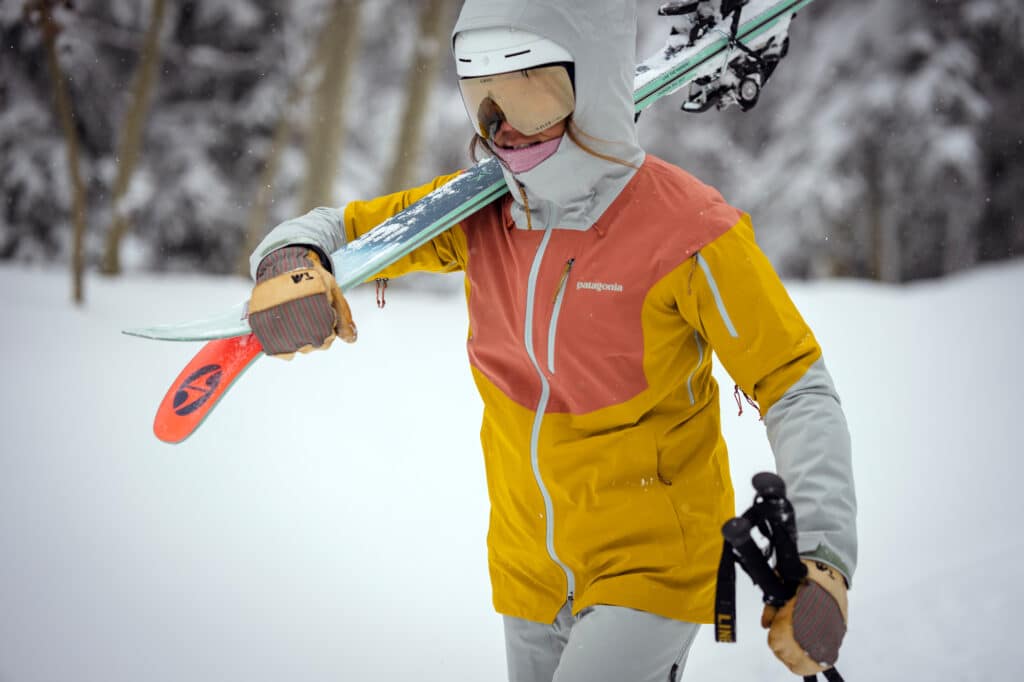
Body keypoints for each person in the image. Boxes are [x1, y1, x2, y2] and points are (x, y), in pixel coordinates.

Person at [246, 1, 857, 680]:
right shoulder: (479, 209)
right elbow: (347, 229)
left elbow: (796, 385)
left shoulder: (690, 232)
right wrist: (291, 255)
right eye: (479, 96)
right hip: (527, 573)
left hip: (652, 569)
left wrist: (824, 561)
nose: (499, 129)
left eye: (523, 93)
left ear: (590, 83)